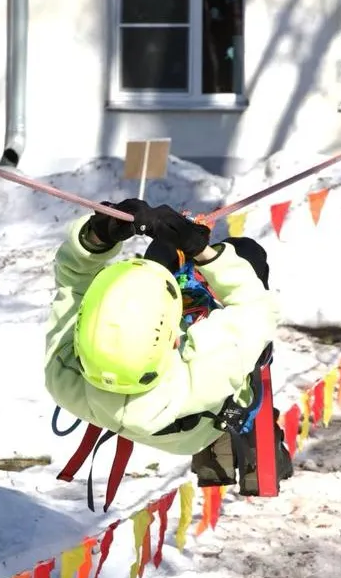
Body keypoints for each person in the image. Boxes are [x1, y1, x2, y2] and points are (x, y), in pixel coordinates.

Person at [45, 198, 285, 498]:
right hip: (199, 427)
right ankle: (227, 447)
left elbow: (72, 284)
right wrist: (201, 251)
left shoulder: (63, 378)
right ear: (173, 339)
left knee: (163, 254)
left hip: (108, 405)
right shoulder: (197, 375)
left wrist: (99, 235)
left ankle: (165, 258)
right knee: (248, 252)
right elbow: (257, 306)